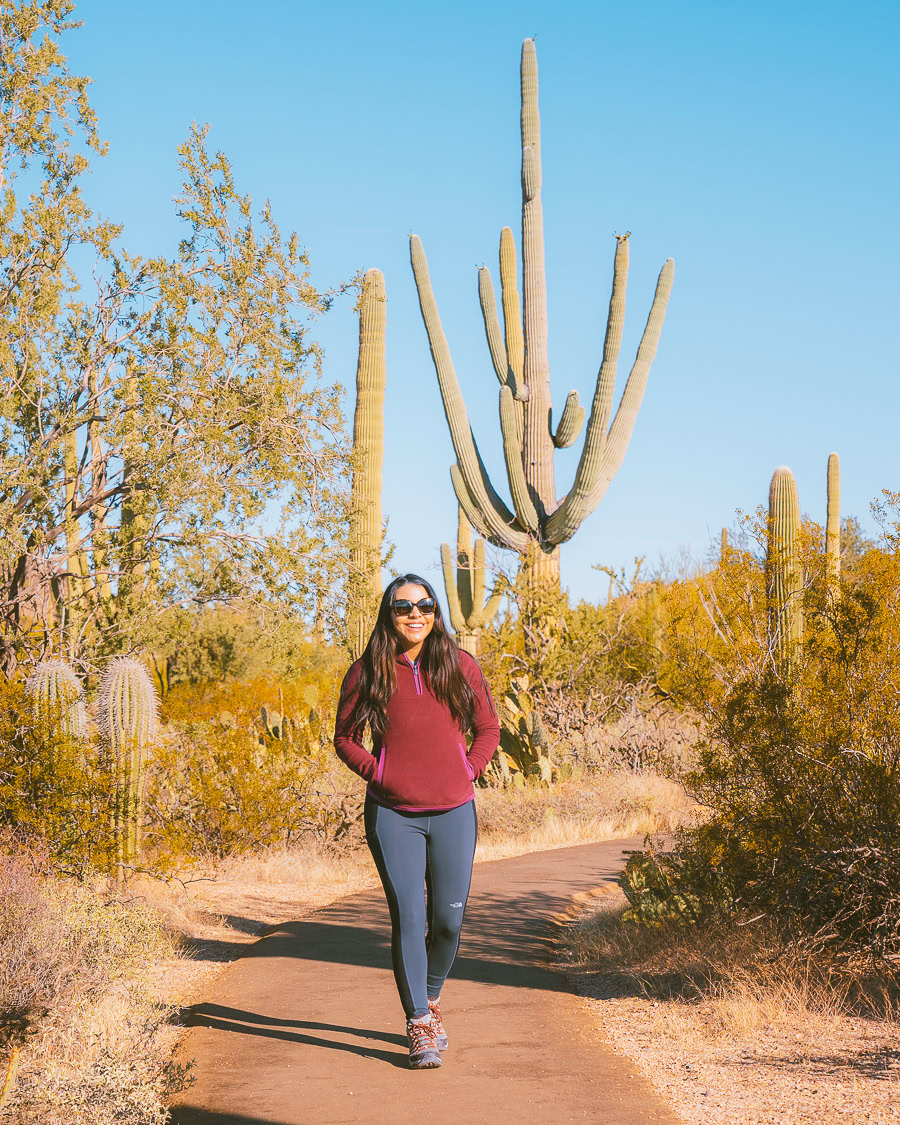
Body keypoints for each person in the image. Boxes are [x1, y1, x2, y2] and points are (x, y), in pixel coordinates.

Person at [333, 573, 500, 1069]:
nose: (415, 615)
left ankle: (429, 996)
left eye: (425, 606)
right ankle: (419, 1023)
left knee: (447, 919)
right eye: (404, 607)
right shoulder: (367, 672)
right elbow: (344, 738)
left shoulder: (458, 664)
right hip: (393, 816)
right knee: (408, 915)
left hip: (454, 811)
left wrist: (468, 768)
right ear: (389, 613)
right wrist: (378, 772)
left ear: (436, 612)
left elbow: (488, 726)